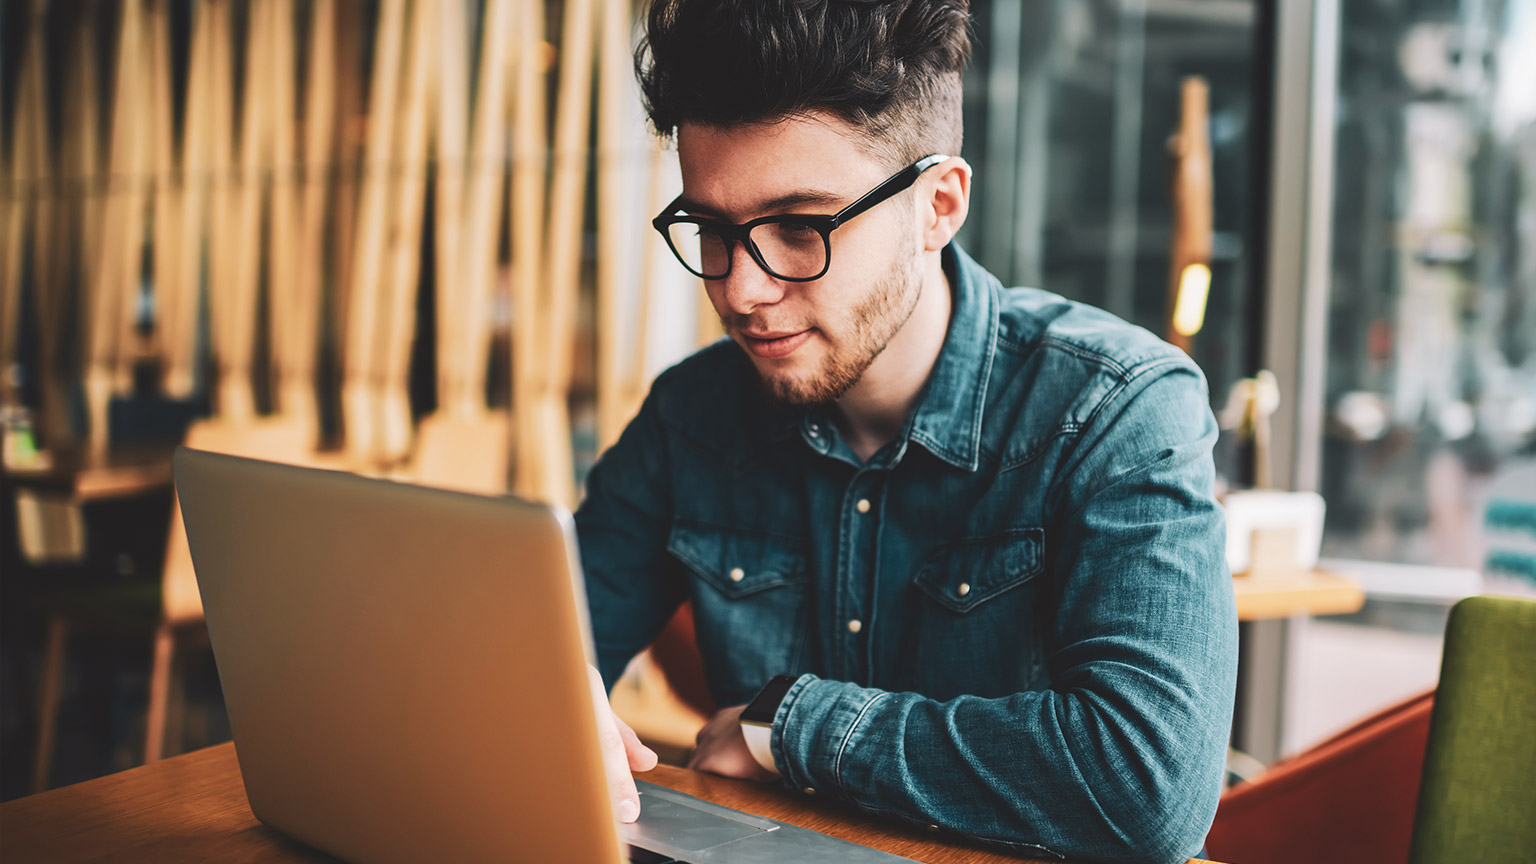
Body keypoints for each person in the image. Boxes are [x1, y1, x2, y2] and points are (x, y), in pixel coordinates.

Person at [574, 1, 1237, 862]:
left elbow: (1147, 788)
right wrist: (541, 700)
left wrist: (791, 727)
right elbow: (546, 650)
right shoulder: (690, 416)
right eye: (711, 230)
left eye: (799, 228)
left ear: (938, 205)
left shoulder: (1116, 409)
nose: (739, 290)